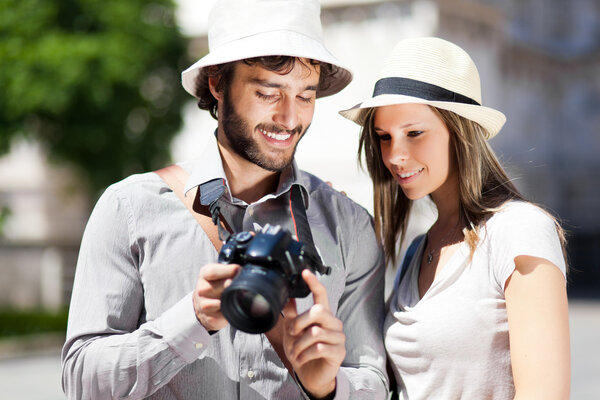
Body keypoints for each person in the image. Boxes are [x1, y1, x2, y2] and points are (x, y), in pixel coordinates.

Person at [61, 1, 389, 399]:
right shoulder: (128, 209)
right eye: (269, 92)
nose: (290, 119)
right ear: (217, 82)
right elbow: (81, 381)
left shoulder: (349, 226)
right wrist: (192, 319)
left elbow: (372, 381)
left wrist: (329, 385)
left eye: (305, 96)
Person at [339, 37, 570, 399]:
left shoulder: (521, 230)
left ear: (459, 131)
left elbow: (544, 393)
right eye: (384, 137)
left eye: (414, 133)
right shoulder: (416, 251)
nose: (395, 155)